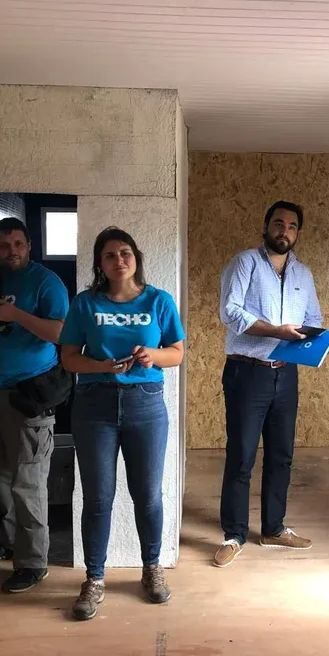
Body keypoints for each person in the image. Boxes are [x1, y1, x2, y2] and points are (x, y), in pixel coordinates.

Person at [59, 227, 184, 621]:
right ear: (100, 263)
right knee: (98, 497)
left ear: (136, 257)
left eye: (125, 253)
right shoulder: (85, 303)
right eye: (109, 255)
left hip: (145, 404)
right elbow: (68, 358)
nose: (118, 260)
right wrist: (100, 365)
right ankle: (94, 579)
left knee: (147, 494)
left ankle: (152, 568)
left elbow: (177, 353)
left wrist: (152, 355)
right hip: (94, 405)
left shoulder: (159, 300)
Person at [0, 217, 70, 595]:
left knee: (28, 480)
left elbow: (61, 333)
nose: (12, 251)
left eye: (19, 243)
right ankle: (12, 543)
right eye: (4, 246)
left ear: (29, 245)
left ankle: (33, 562)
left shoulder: (46, 282)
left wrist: (15, 314)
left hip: (27, 395)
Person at [214, 200, 323, 568]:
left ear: (297, 233)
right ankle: (234, 534)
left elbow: (313, 318)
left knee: (281, 454)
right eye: (278, 223)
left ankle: (273, 528)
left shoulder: (303, 274)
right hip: (247, 372)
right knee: (242, 454)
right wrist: (277, 331)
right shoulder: (245, 262)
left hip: (285, 373)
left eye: (292, 226)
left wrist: (313, 338)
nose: (284, 231)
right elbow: (230, 312)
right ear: (265, 227)